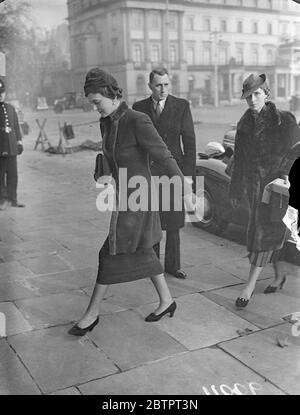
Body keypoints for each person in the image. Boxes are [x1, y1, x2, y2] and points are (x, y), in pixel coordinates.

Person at [69, 68, 196, 336]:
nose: (95, 108)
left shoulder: (137, 120)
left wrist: (185, 188)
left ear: (110, 95)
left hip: (140, 198)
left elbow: (165, 156)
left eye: (97, 102)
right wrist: (102, 170)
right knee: (142, 250)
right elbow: (109, 154)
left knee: (110, 251)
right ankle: (167, 300)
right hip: (125, 196)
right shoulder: (107, 120)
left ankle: (92, 314)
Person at [229, 73, 300, 308]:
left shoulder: (285, 120)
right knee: (269, 232)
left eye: (256, 94)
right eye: (248, 96)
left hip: (280, 189)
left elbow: (294, 153)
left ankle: (248, 287)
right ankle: (279, 276)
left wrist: (285, 176)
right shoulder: (244, 124)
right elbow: (239, 160)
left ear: (266, 94)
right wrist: (235, 190)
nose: (252, 100)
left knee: (272, 233)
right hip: (255, 189)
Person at [133, 68, 196, 279]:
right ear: (150, 86)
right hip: (149, 174)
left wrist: (187, 177)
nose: (163, 89)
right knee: (152, 220)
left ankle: (173, 266)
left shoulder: (181, 106)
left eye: (166, 85)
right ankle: (152, 264)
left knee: (175, 223)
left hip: (173, 173)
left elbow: (190, 143)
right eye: (158, 85)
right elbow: (134, 144)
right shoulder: (139, 108)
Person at [0, 79, 24, 210]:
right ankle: (2, 200)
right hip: (0, 148)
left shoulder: (11, 108)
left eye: (2, 93)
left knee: (13, 175)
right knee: (0, 175)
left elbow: (15, 127)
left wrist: (19, 142)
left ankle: (12, 199)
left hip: (11, 147)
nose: (0, 95)